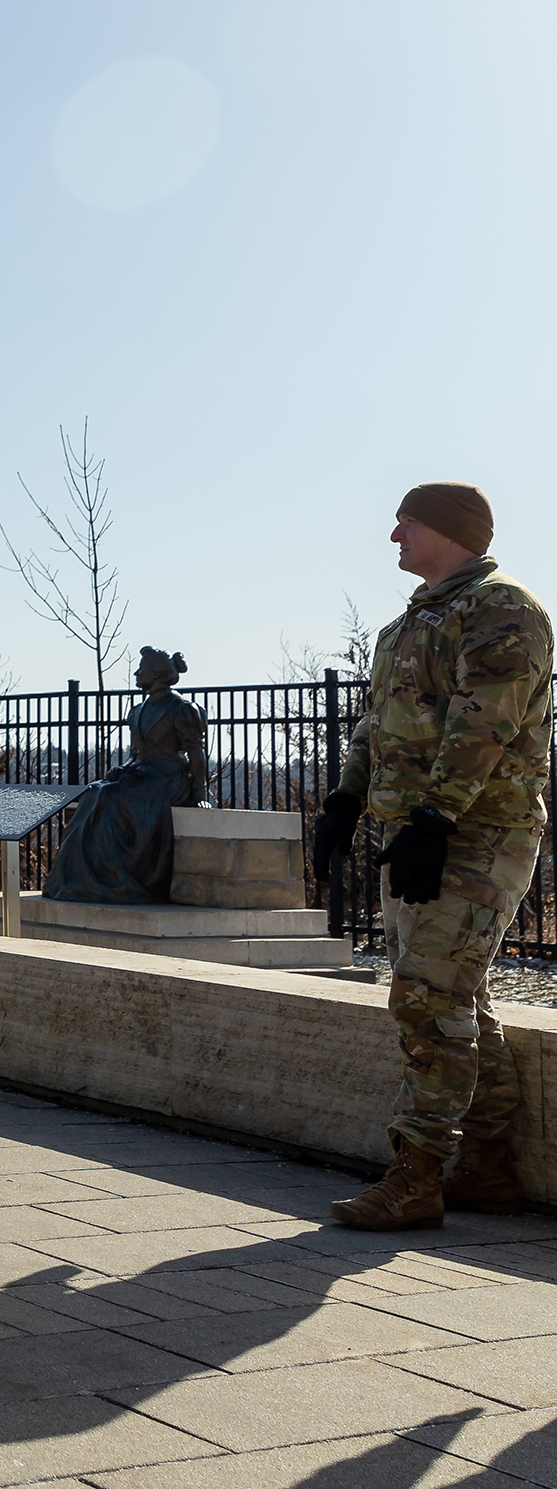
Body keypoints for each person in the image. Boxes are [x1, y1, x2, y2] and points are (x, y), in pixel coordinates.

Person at [317, 482, 550, 1230]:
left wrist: (434, 820)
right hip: (417, 832)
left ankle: (417, 1177)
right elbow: (373, 726)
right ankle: (486, 1169)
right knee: (455, 998)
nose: (393, 536)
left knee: (425, 997)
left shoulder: (503, 609)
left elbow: (484, 725)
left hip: (479, 834)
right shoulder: (406, 626)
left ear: (449, 531)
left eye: (407, 524)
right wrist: (344, 803)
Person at [43, 648, 210, 904]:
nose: (136, 672)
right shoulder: (137, 710)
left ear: (155, 674)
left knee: (109, 797)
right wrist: (124, 770)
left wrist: (200, 793)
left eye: (141, 668)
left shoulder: (182, 708)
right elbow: (137, 755)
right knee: (94, 791)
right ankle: (76, 878)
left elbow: (196, 754)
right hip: (144, 775)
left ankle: (116, 880)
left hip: (168, 781)